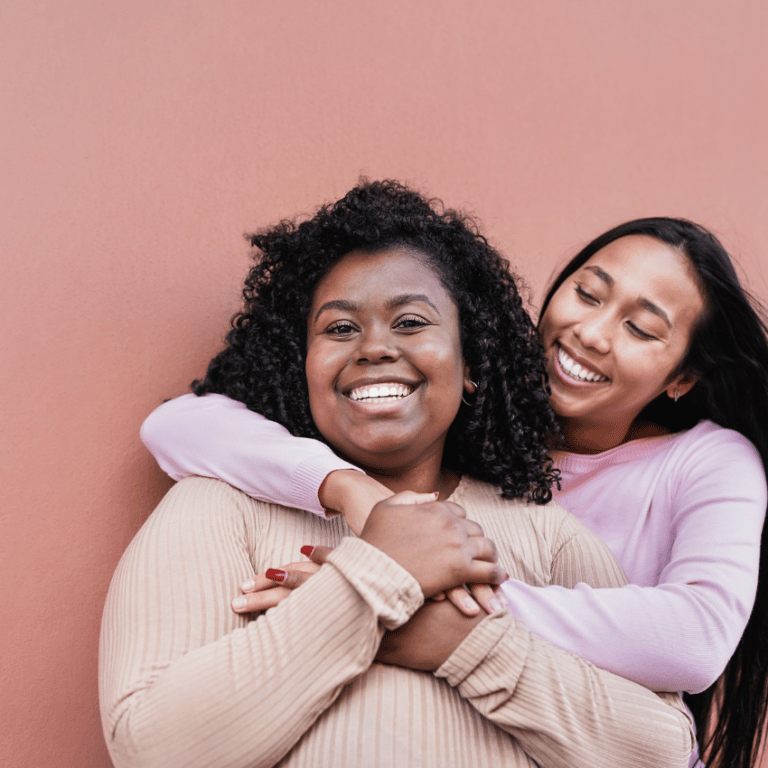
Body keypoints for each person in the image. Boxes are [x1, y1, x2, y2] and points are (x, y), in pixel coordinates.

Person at [141, 208, 768, 768]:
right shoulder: (475, 420)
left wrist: (437, 610)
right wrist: (359, 495)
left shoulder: (706, 461)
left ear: (682, 376)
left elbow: (697, 636)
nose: (593, 333)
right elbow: (179, 424)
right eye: (587, 293)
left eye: (641, 328)